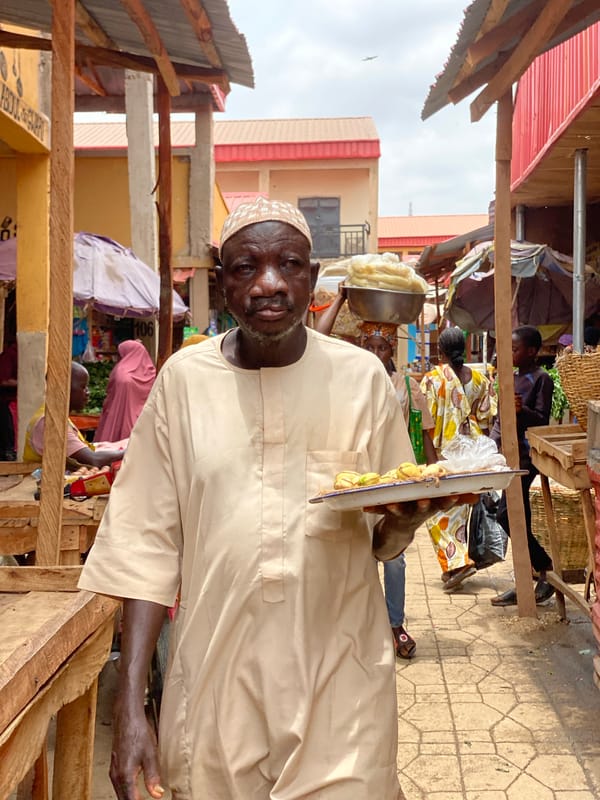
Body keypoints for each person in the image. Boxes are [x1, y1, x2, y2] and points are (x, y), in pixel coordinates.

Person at [78, 197, 470, 800]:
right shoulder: (183, 383)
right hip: (216, 685)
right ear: (224, 281)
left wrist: (404, 525)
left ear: (311, 280)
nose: (268, 284)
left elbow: (384, 537)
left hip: (342, 683)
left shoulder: (362, 380)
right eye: (245, 267)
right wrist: (131, 705)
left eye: (288, 265)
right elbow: (143, 549)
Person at [420, 326, 497, 591]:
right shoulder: (479, 379)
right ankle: (455, 564)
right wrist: (482, 453)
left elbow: (425, 424)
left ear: (439, 351)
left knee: (436, 511)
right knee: (462, 507)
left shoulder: (432, 380)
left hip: (444, 451)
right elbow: (487, 418)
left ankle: (459, 562)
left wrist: (431, 462)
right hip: (472, 451)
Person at [490, 325, 554, 606]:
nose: (511, 354)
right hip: (508, 456)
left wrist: (521, 410)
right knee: (510, 515)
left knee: (509, 515)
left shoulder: (542, 380)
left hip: (527, 458)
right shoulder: (511, 379)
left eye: (515, 349)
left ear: (532, 351)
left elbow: (541, 419)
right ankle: (530, 576)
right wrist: (491, 444)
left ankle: (544, 567)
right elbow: (500, 419)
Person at [24, 361, 125, 468]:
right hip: (40, 482)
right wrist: (127, 452)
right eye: (83, 387)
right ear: (64, 388)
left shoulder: (56, 414)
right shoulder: (50, 422)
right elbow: (93, 460)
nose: (87, 392)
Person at [95, 340, 156, 442]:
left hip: (120, 416)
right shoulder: (150, 371)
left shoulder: (121, 372)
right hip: (144, 421)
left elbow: (112, 395)